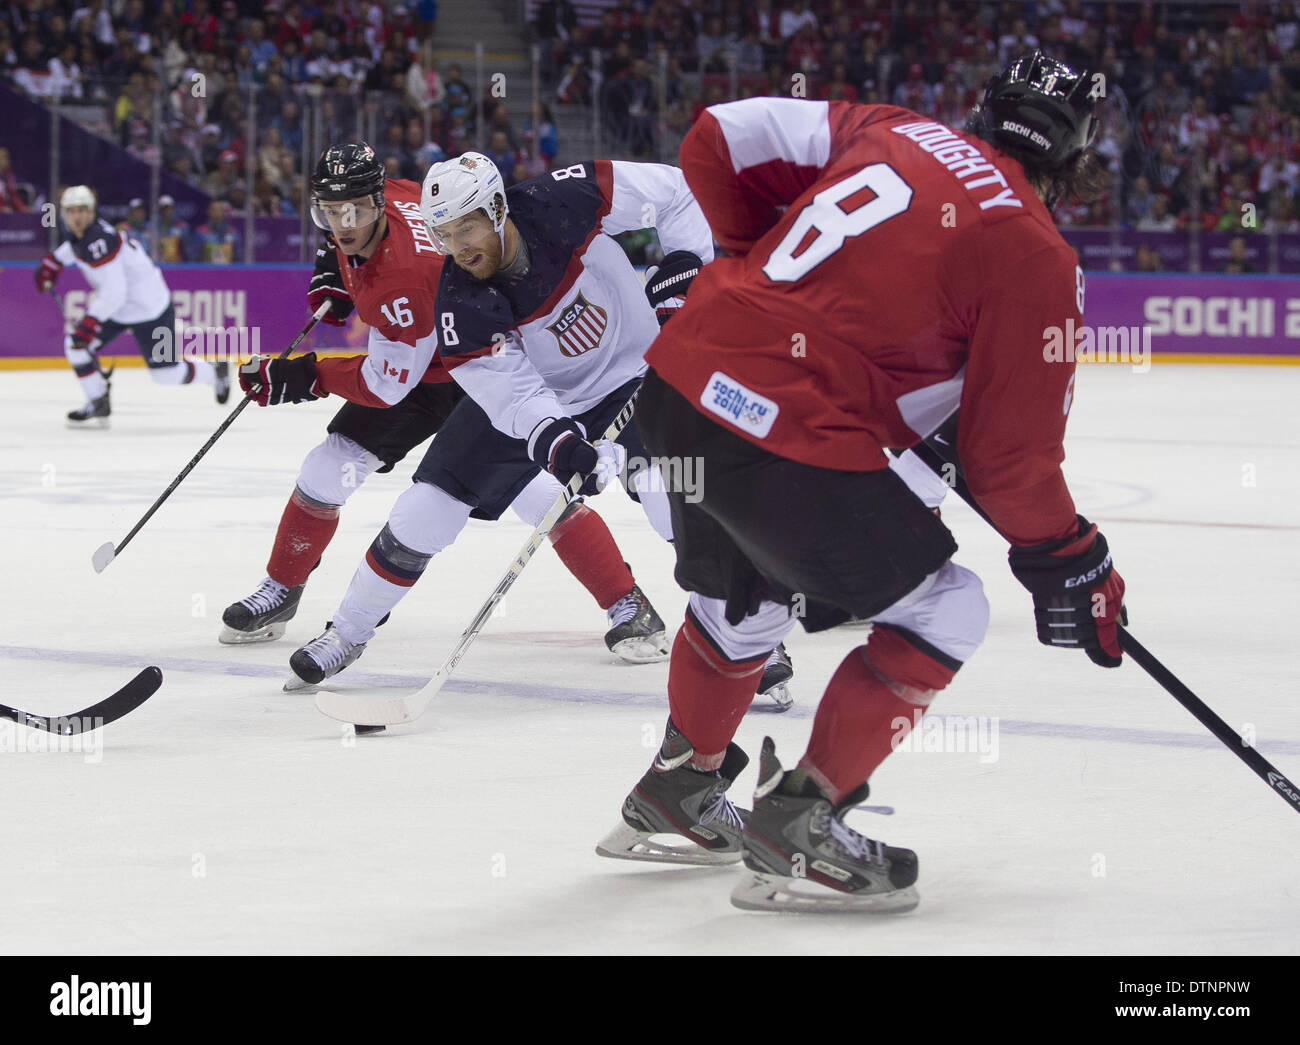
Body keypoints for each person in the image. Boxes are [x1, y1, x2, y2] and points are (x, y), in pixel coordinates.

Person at [596, 52, 1128, 913]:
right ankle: (798, 826)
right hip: (785, 429)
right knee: (947, 609)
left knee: (744, 603)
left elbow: (716, 136)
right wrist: (1072, 555)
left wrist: (752, 264)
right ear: (1075, 155)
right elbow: (1009, 461)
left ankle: (679, 791)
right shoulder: (1037, 252)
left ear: (984, 109)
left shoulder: (890, 128)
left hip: (685, 380)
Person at [269, 150, 795, 707]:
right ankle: (347, 633)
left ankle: (752, 636)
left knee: (672, 495)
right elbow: (514, 395)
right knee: (424, 510)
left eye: (466, 228)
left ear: (498, 208)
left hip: (640, 371)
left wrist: (687, 265)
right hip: (547, 392)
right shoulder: (460, 302)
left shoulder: (569, 197)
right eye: (444, 235)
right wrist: (557, 440)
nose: (458, 248)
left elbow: (681, 192)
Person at [226, 144, 667, 676]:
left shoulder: (408, 282)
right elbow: (357, 233)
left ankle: (627, 600)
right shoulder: (394, 197)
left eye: (354, 212)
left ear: (378, 201)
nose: (343, 224)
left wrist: (308, 376)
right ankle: (286, 592)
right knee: (330, 466)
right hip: (433, 357)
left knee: (539, 495)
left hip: (462, 367)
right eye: (329, 213)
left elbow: (387, 385)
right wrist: (339, 263)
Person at [34, 185, 231, 428]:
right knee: (75, 346)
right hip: (119, 309)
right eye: (72, 211)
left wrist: (88, 324)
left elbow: (115, 293)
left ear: (92, 211)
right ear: (64, 213)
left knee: (166, 374)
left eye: (83, 210)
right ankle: (97, 401)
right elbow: (75, 247)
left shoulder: (100, 241)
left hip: (149, 309)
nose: (77, 216)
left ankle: (215, 371)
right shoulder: (86, 232)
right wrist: (53, 262)